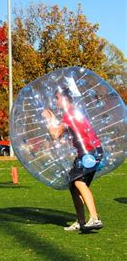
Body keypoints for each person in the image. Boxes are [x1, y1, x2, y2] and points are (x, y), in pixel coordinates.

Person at [42, 87, 104, 232]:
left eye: (57, 98)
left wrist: (49, 119)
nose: (55, 101)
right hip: (90, 151)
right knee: (73, 185)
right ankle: (81, 221)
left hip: (88, 152)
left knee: (78, 181)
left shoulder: (69, 115)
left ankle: (95, 218)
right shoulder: (73, 113)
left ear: (65, 99)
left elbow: (55, 135)